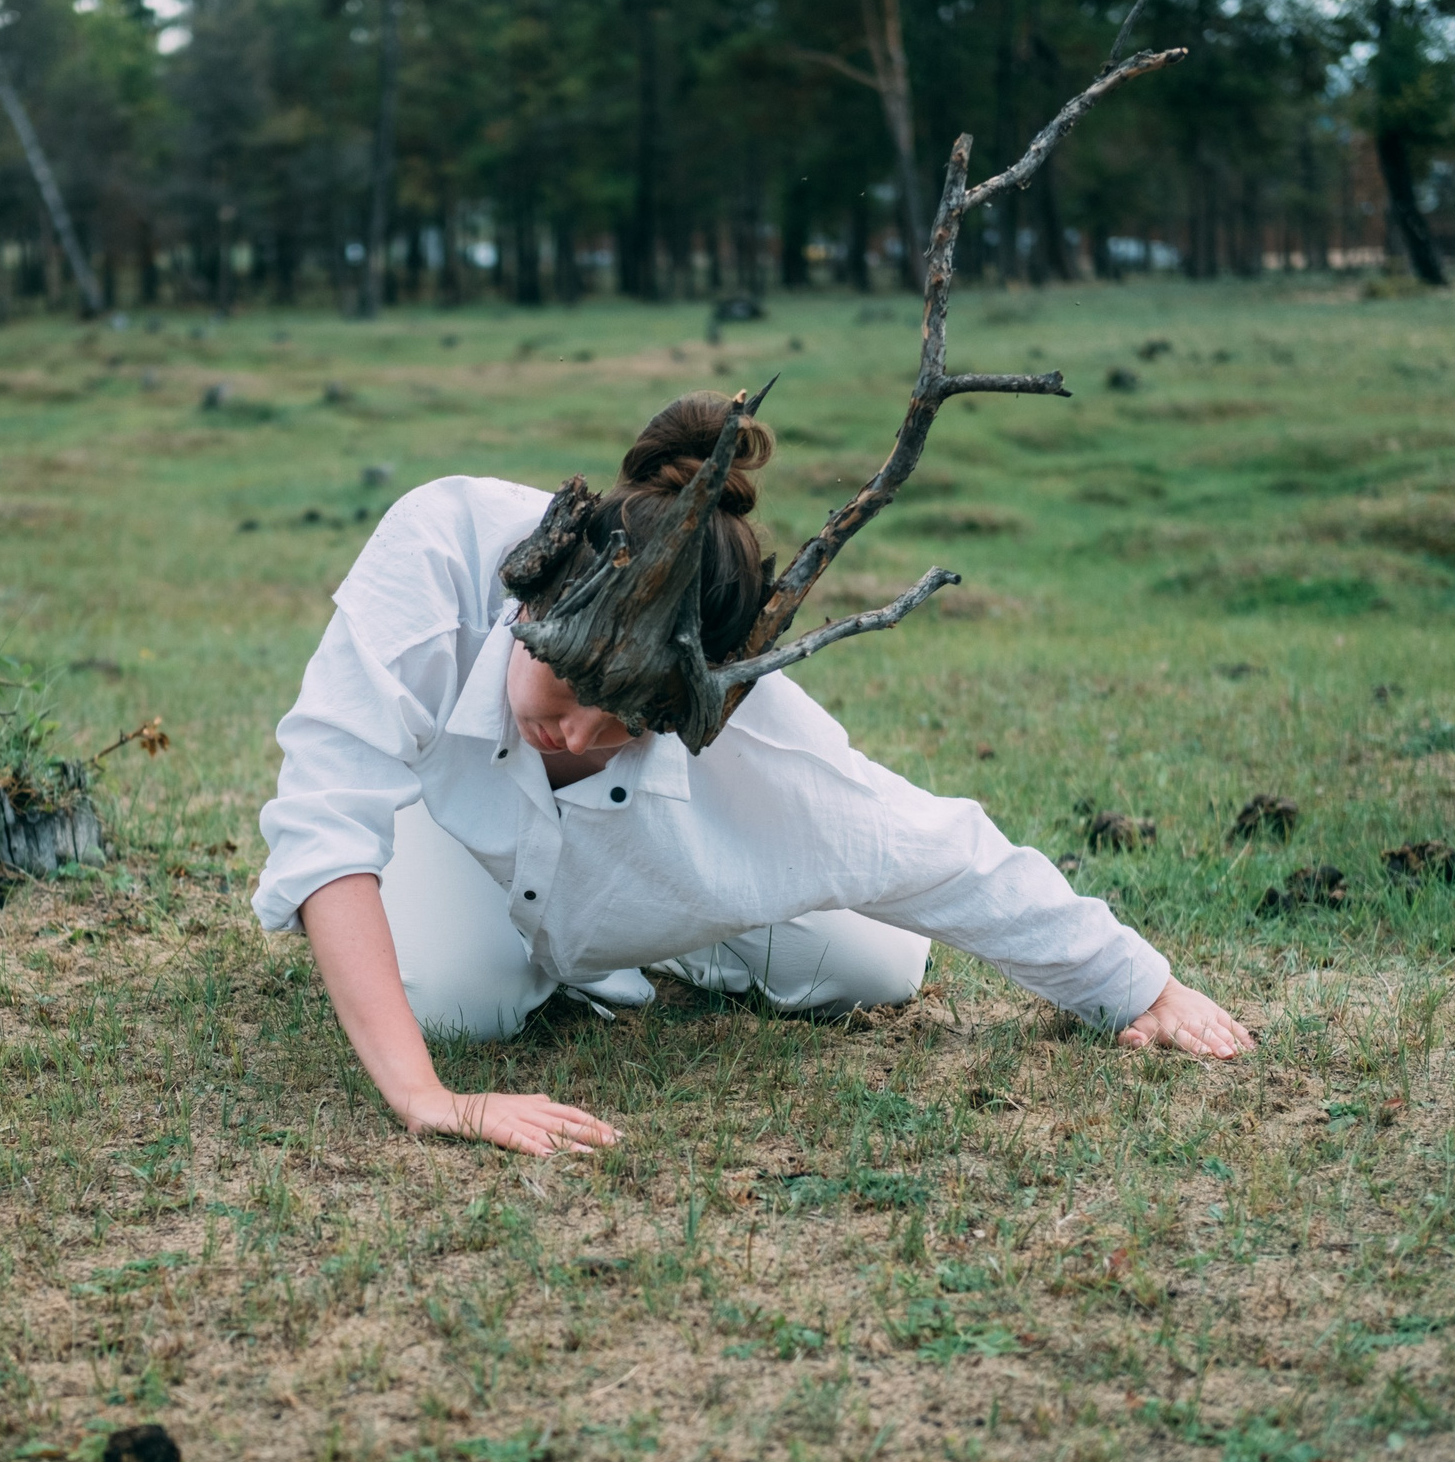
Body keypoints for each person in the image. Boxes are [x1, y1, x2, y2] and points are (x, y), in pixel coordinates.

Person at [254, 392, 1254, 1157]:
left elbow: (935, 848)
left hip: (641, 851)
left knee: (875, 970)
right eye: (570, 684)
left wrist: (1135, 985)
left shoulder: (752, 726)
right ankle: (555, 952)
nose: (579, 730)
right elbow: (326, 817)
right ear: (535, 604)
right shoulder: (439, 551)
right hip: (455, 832)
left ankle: (650, 933)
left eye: (631, 719)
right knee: (456, 1006)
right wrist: (427, 1096)